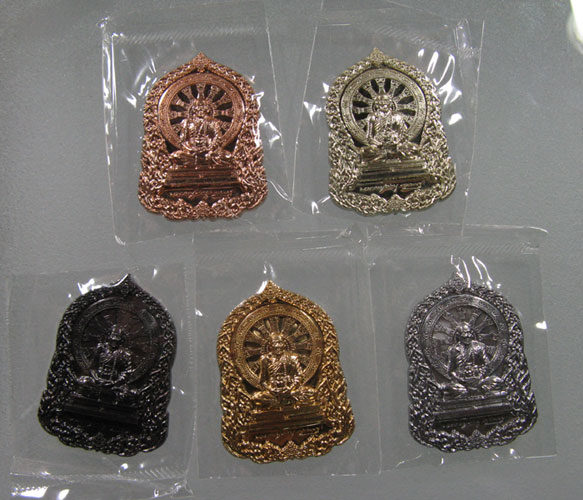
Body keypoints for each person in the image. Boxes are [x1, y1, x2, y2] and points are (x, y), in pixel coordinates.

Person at [252, 332, 315, 407]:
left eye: (280, 343)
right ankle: (280, 402)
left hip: (290, 391)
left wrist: (290, 388)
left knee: (311, 392)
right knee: (256, 397)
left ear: (284, 344)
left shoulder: (292, 358)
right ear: (270, 346)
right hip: (273, 392)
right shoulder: (265, 359)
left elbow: (299, 376)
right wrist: (270, 390)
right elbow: (262, 381)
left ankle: (279, 402)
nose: (277, 346)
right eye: (274, 343)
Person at [444, 322, 504, 397]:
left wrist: (479, 376)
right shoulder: (453, 350)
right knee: (451, 388)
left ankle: (478, 390)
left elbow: (487, 365)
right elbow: (450, 371)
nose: (468, 336)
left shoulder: (479, 347)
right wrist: (461, 379)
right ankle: (474, 391)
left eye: (469, 333)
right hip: (462, 383)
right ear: (458, 335)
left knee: (497, 381)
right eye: (464, 333)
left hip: (479, 380)